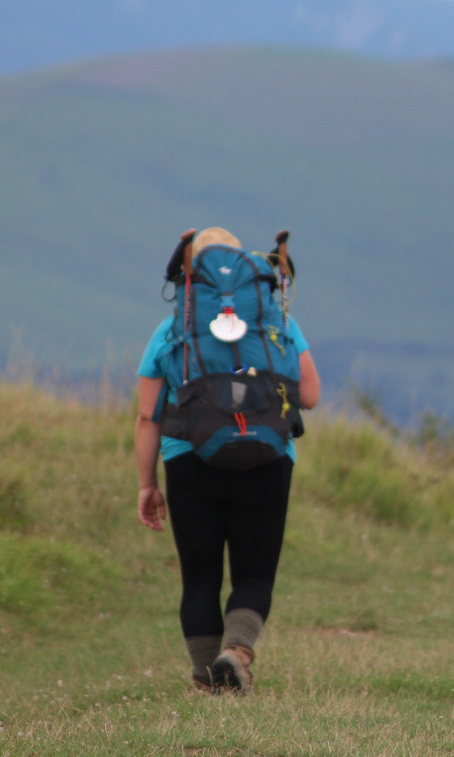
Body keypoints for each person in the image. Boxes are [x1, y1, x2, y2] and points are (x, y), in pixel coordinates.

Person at [135, 227, 320, 695]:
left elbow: (146, 415)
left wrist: (146, 483)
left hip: (189, 458)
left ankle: (204, 680)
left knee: (199, 577)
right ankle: (235, 653)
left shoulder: (172, 329)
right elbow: (311, 396)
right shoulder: (276, 321)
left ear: (189, 275)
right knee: (254, 572)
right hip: (268, 457)